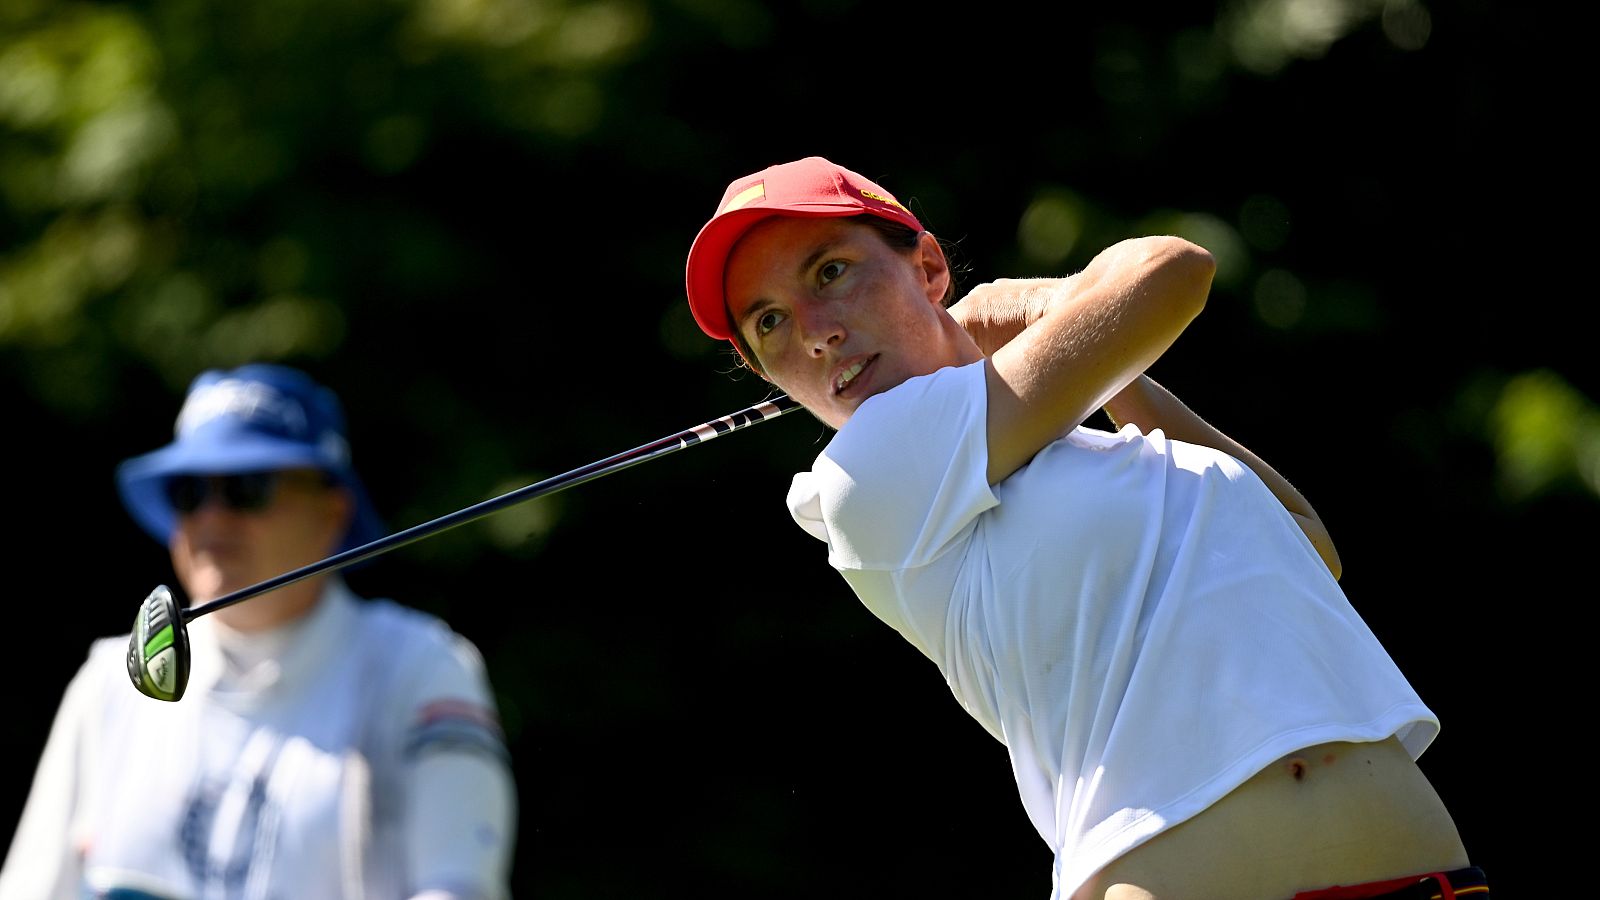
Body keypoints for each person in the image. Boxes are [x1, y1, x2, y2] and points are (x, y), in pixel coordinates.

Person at [681, 157, 1490, 900]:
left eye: (830, 272)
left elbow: (1308, 544)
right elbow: (1173, 270)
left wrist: (1088, 363)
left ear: (927, 267)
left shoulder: (1102, 454)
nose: (815, 330)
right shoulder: (867, 474)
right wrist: (1034, 306)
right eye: (769, 323)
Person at [0, 364, 516, 900]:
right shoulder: (109, 681)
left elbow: (460, 888)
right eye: (189, 492)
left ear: (332, 513)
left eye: (247, 487)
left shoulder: (422, 666)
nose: (212, 518)